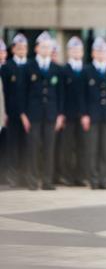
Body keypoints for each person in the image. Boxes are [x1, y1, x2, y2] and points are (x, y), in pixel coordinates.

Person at [23, 32, 65, 190]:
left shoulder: (57, 69)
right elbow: (23, 92)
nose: (46, 49)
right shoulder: (29, 67)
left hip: (51, 114)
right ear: (36, 48)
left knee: (49, 148)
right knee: (33, 148)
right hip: (33, 114)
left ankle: (47, 181)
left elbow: (61, 94)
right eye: (43, 47)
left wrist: (60, 115)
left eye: (49, 47)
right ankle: (32, 180)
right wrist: (23, 114)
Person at [82, 38, 106, 189]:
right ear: (93, 53)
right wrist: (84, 114)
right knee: (93, 148)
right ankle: (93, 178)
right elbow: (82, 95)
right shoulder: (87, 71)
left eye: (104, 51)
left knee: (105, 148)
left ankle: (103, 178)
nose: (101, 54)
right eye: (98, 51)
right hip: (92, 115)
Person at [58, 36, 87, 186]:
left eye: (79, 50)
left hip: (83, 116)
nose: (76, 52)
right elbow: (61, 93)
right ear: (69, 52)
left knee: (82, 147)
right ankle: (68, 176)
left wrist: (86, 114)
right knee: (67, 147)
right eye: (73, 49)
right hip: (68, 115)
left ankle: (80, 177)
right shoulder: (64, 70)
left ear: (82, 52)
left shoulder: (86, 70)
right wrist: (61, 114)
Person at [1, 34, 29, 186]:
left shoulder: (30, 66)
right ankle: (13, 175)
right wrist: (4, 112)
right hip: (11, 113)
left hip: (28, 114)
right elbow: (4, 92)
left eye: (24, 48)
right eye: (19, 48)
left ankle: (25, 174)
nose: (21, 50)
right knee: (13, 145)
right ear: (13, 49)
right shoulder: (7, 67)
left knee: (25, 144)